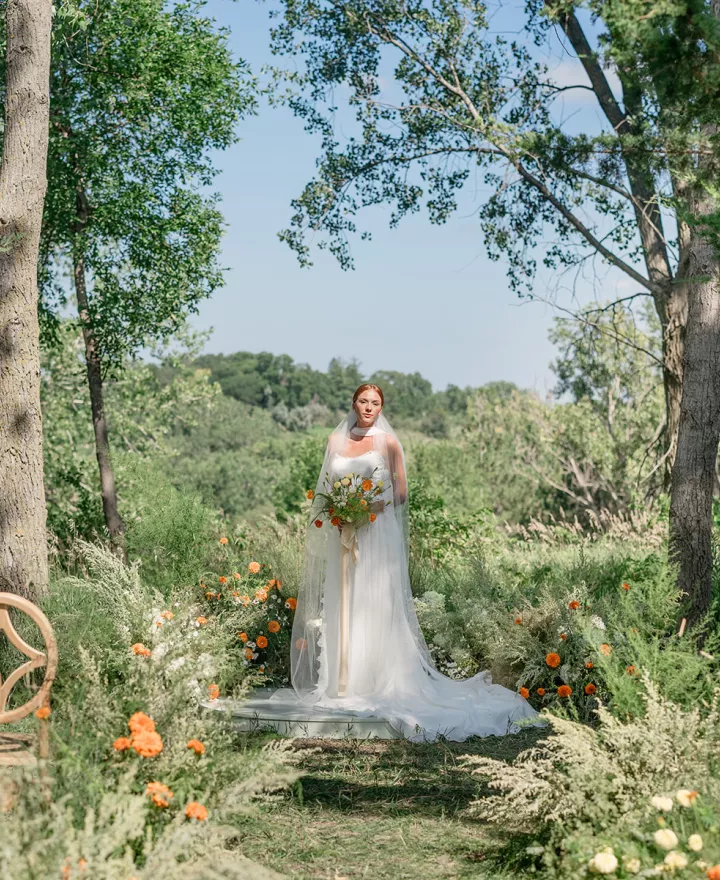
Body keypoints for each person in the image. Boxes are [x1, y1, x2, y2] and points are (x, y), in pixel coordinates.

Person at [289, 383, 536, 742]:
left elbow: (401, 491)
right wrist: (341, 512)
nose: (369, 407)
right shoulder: (334, 440)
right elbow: (326, 487)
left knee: (374, 601)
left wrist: (367, 507)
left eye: (375, 402)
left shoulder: (388, 442)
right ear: (353, 403)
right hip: (344, 533)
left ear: (381, 407)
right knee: (344, 599)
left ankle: (377, 678)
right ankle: (342, 681)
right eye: (363, 401)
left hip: (375, 534)